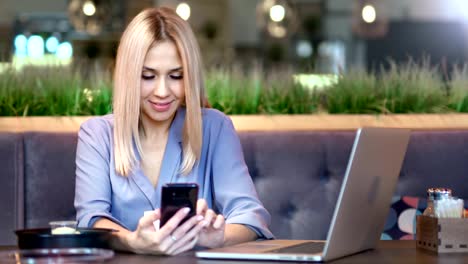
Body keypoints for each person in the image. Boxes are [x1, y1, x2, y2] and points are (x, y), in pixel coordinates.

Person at [74, 7, 273, 256]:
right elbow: (90, 220)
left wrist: (219, 238)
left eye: (176, 76)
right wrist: (132, 241)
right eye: (148, 76)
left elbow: (250, 217)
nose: (162, 91)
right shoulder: (97, 134)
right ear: (128, 76)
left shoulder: (215, 128)